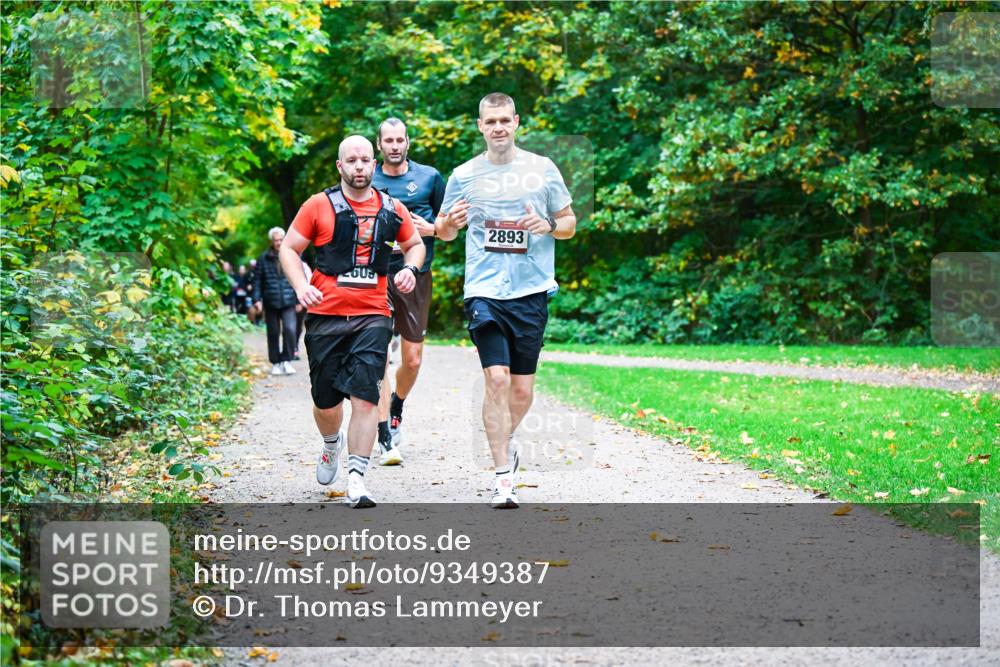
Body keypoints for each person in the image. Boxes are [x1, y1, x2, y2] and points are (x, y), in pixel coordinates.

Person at [435, 93, 576, 509]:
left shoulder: (542, 169)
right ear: (480, 126)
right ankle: (503, 478)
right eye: (490, 121)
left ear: (516, 122)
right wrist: (450, 223)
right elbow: (444, 231)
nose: (498, 127)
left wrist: (547, 225)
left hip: (530, 291)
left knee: (521, 391)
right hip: (484, 290)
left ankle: (503, 438)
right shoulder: (463, 175)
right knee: (496, 379)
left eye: (504, 120)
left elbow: (569, 223)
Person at [279, 135, 425, 508]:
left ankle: (357, 478)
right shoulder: (318, 205)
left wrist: (410, 268)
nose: (359, 166)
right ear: (340, 166)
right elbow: (290, 249)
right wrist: (301, 286)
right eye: (351, 160)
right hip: (325, 316)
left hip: (373, 315)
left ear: (373, 165)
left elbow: (415, 244)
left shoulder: (392, 208)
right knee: (326, 403)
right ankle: (331, 444)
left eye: (364, 160)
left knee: (366, 397)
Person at [371, 117, 446, 466]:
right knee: (378, 355)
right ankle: (384, 434)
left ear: (408, 142)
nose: (395, 146)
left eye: (400, 140)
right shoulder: (368, 178)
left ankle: (397, 404)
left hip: (417, 274)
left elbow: (450, 226)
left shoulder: (429, 178)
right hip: (375, 276)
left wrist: (431, 229)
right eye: (388, 140)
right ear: (379, 144)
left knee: (412, 360)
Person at [253, 228, 299, 376]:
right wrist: (257, 299)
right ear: (271, 241)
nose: (278, 242)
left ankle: (287, 360)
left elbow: (298, 277)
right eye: (276, 240)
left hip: (289, 300)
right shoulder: (263, 259)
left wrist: (300, 298)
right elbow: (257, 281)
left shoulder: (292, 255)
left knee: (290, 329)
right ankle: (275, 363)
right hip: (270, 301)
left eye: (281, 239)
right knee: (273, 332)